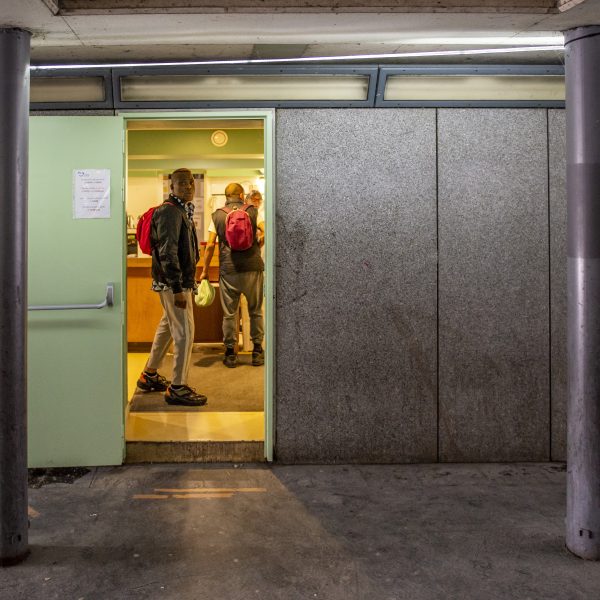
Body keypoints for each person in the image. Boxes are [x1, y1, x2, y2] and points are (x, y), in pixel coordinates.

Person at [136, 168, 207, 406]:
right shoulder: (169, 212)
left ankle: (149, 374)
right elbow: (168, 252)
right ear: (171, 187)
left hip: (175, 281)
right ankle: (178, 387)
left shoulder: (180, 210)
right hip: (174, 283)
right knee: (184, 333)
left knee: (167, 325)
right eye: (182, 183)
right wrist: (178, 288)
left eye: (191, 183)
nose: (188, 187)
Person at [201, 182, 265, 368]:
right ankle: (257, 351)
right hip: (253, 268)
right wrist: (258, 244)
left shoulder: (217, 215)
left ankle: (230, 353)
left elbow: (210, 245)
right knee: (255, 311)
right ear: (242, 195)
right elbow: (266, 230)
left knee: (229, 314)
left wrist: (205, 270)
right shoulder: (253, 211)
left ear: (226, 196)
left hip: (229, 271)